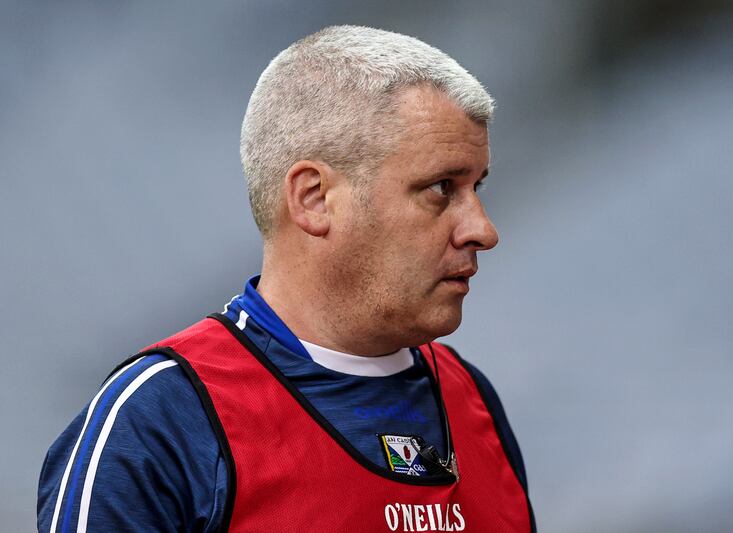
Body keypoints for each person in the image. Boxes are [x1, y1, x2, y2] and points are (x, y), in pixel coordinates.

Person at [37, 25, 535, 532]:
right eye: (441, 188)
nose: (483, 230)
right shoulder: (160, 419)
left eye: (477, 186)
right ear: (314, 198)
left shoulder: (472, 400)